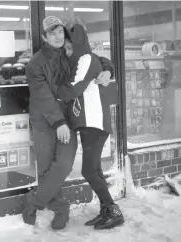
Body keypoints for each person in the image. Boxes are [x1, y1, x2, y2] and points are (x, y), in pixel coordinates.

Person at [22, 15, 115, 230]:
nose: (57, 36)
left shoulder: (69, 52)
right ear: (45, 38)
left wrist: (108, 69)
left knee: (63, 166)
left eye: (60, 31)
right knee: (47, 169)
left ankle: (33, 201)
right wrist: (58, 123)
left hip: (68, 120)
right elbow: (44, 97)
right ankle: (61, 208)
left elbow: (95, 59)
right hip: (45, 121)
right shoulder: (35, 64)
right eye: (51, 33)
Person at [55, 20, 125, 230]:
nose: (67, 52)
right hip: (88, 123)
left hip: (94, 123)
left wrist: (53, 93)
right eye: (65, 48)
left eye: (69, 47)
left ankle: (113, 210)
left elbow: (74, 89)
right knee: (94, 169)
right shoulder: (79, 60)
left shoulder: (85, 59)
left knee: (88, 170)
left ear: (77, 44)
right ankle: (106, 210)